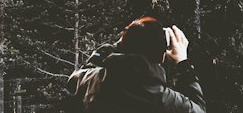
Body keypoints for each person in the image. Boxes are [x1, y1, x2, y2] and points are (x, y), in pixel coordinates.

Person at [65, 16, 206, 112]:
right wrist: (183, 64)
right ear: (161, 55)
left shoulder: (96, 80)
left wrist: (119, 44)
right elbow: (198, 110)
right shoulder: (162, 99)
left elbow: (74, 79)